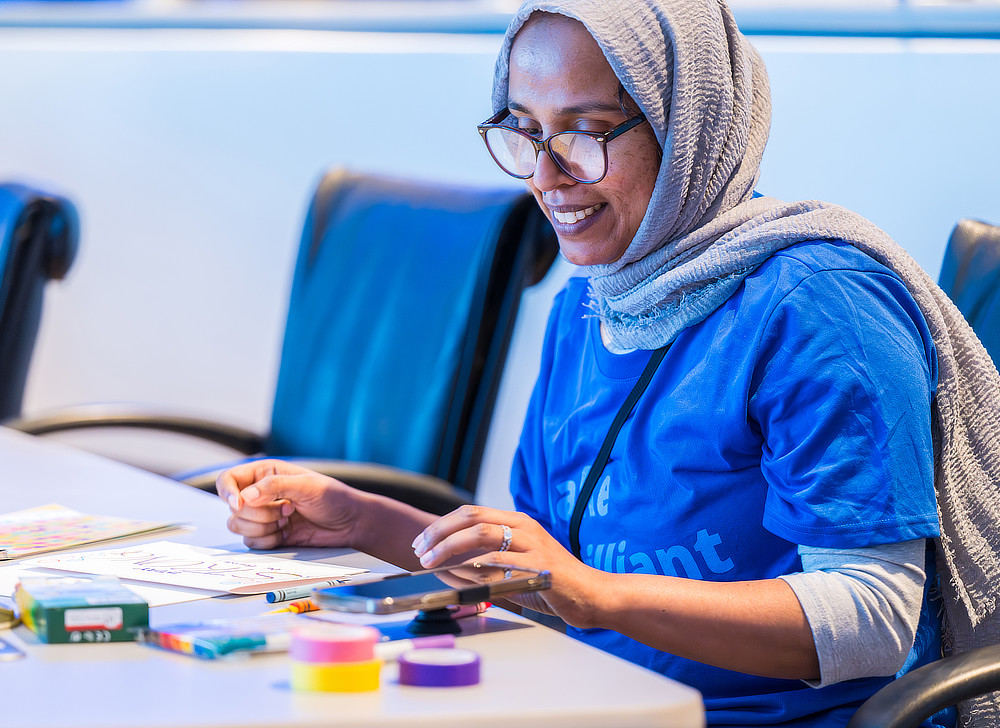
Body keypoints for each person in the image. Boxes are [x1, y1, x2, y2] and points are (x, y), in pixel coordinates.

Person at [218, 1, 1000, 726]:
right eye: (524, 131)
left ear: (688, 127)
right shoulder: (595, 299)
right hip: (594, 697)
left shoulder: (819, 308)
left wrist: (595, 596)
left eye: (584, 132)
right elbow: (552, 581)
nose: (545, 175)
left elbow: (872, 620)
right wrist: (359, 519)